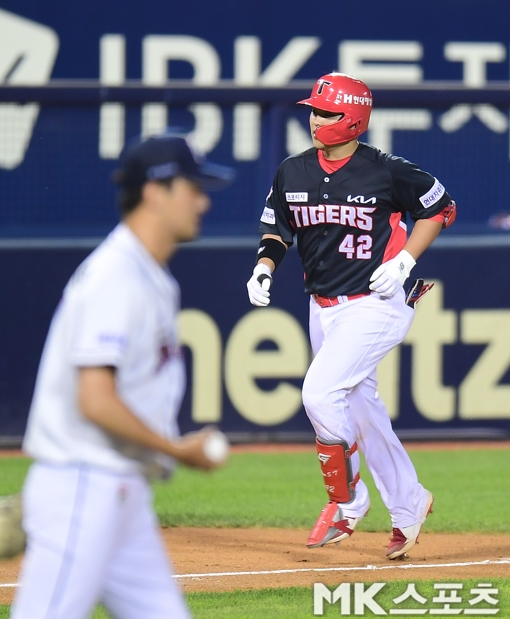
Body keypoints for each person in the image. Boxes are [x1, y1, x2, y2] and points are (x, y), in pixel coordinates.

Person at [10, 133, 235, 619]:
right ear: (155, 193)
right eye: (192, 187)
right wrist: (176, 450)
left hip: (123, 496)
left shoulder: (150, 276)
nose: (202, 200)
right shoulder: (117, 276)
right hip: (84, 486)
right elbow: (95, 399)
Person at [246, 73, 456, 560]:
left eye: (328, 112)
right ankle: (409, 504)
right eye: (314, 111)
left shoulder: (385, 170)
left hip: (376, 303)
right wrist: (263, 267)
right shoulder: (292, 170)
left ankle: (347, 501)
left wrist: (404, 261)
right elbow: (277, 226)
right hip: (323, 307)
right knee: (362, 411)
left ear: (355, 118)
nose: (316, 119)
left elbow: (441, 207)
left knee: (319, 393)